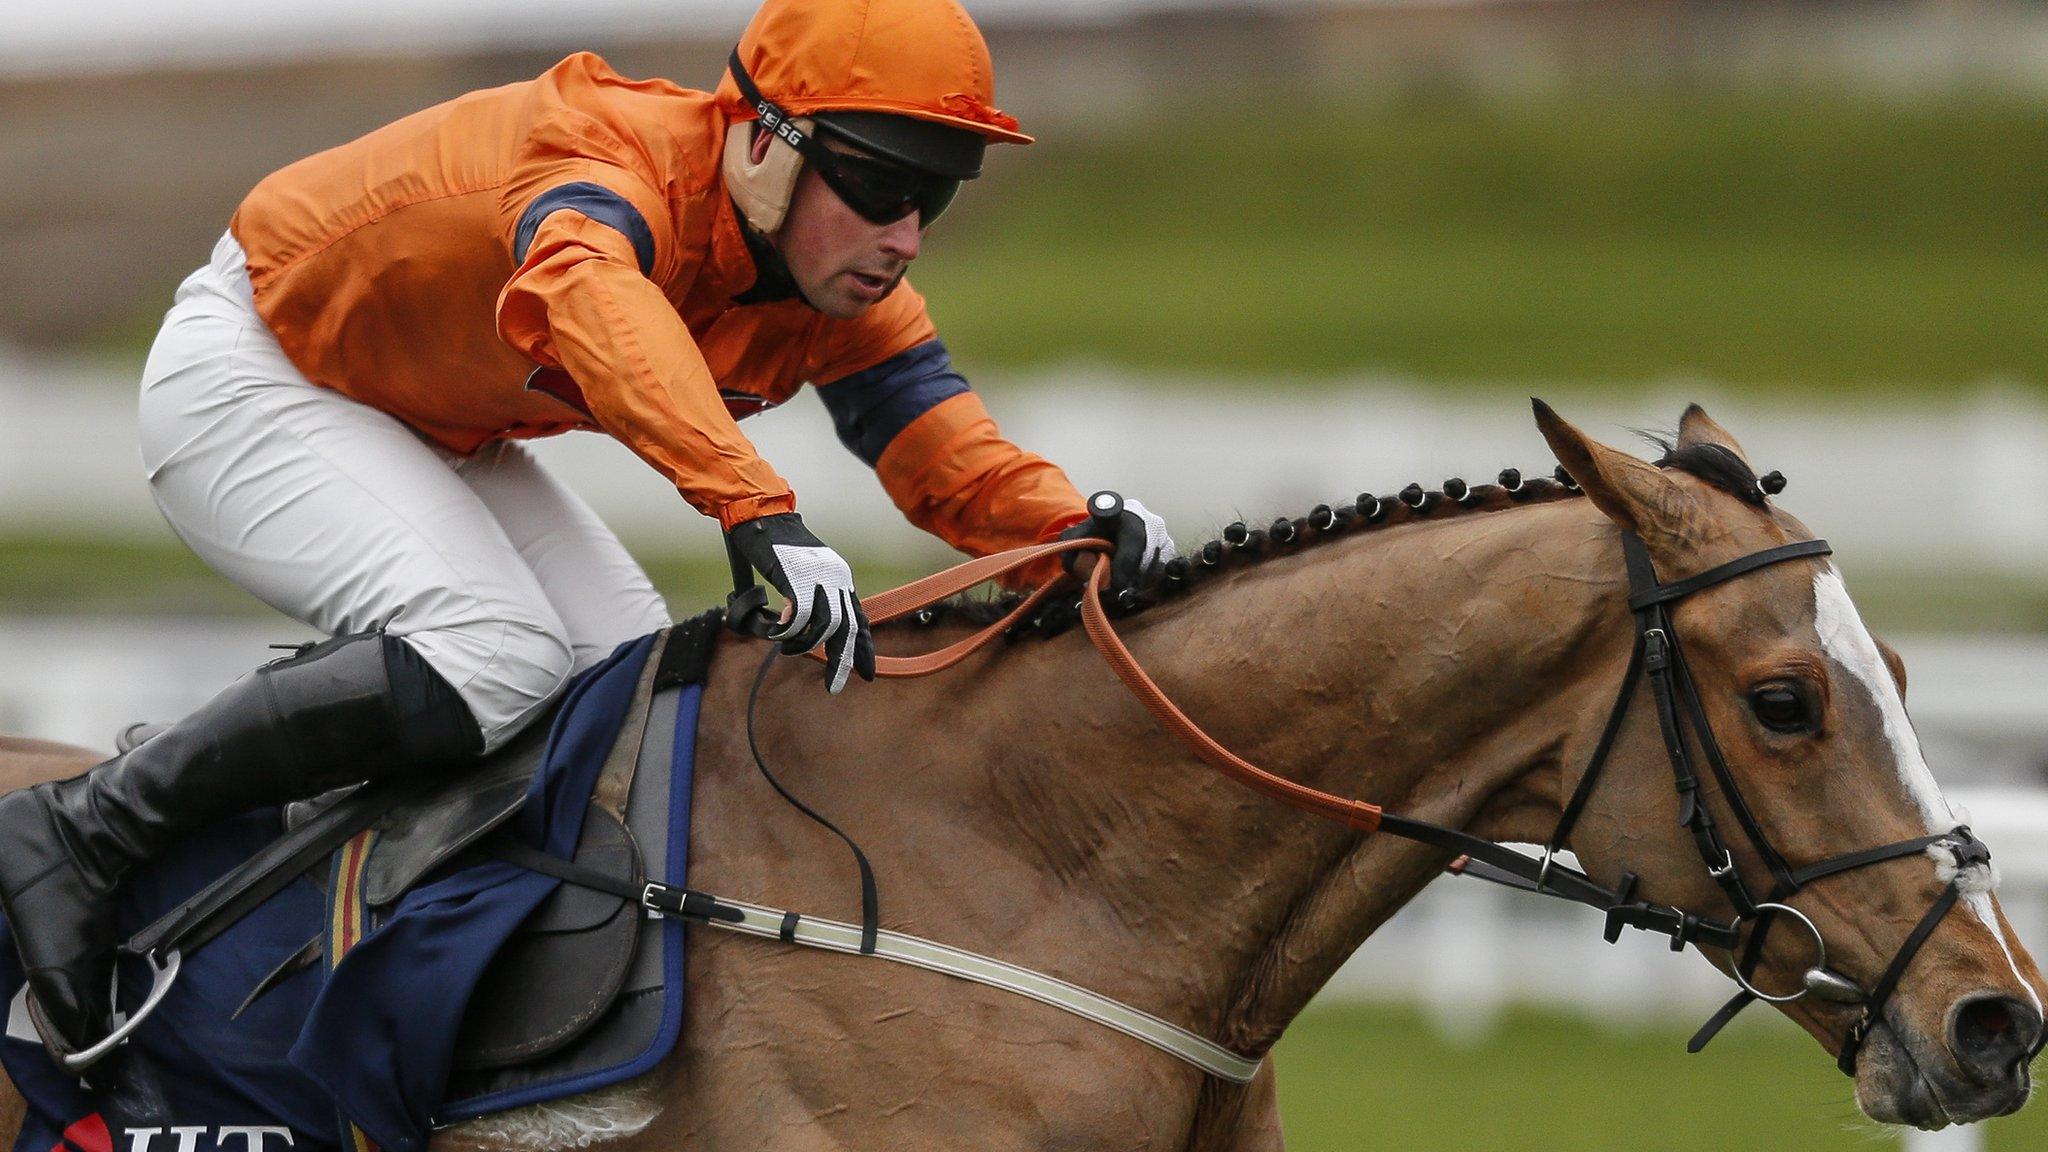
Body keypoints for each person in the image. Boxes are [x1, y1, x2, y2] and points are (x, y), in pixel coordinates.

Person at [0, 0, 1177, 1068]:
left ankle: (420, 962)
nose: (906, 232)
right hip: (253, 372)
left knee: (625, 692)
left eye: (937, 191)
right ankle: (80, 833)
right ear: (763, 136)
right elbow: (594, 301)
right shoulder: (606, 165)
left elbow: (933, 443)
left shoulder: (831, 278)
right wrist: (754, 506)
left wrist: (1070, 527)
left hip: (415, 416)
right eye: (880, 184)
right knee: (493, 652)